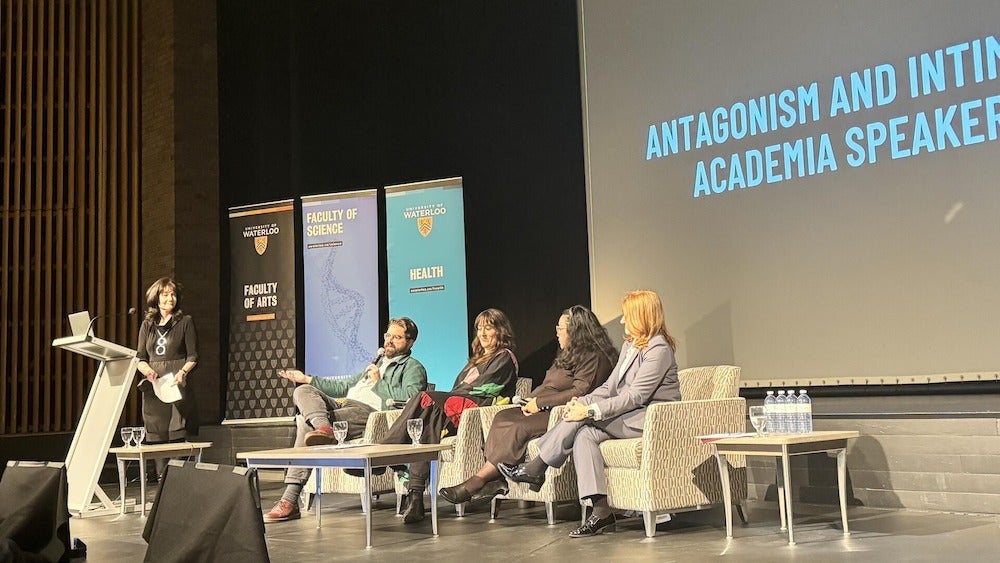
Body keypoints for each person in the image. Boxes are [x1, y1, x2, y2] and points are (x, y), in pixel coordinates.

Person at [499, 290, 679, 538]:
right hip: (628, 416)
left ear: (641, 316)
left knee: (584, 418)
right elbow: (609, 388)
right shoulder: (630, 346)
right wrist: (581, 402)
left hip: (652, 420)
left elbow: (635, 396)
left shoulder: (658, 349)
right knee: (584, 435)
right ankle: (601, 513)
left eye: (627, 316)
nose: (623, 321)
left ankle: (536, 467)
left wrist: (590, 410)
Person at [438, 305, 616, 505]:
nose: (556, 333)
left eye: (560, 329)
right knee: (502, 417)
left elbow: (580, 392)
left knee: (518, 427)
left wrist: (539, 403)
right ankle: (496, 478)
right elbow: (548, 385)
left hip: (563, 413)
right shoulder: (567, 355)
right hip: (544, 407)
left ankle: (478, 481)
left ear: (575, 331)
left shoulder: (593, 356)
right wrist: (528, 401)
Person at [263, 317, 427, 523]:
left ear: (410, 342)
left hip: (368, 414)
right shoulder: (378, 363)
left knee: (306, 423)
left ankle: (290, 499)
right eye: (388, 335)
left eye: (397, 337)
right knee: (303, 391)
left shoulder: (412, 367)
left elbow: (412, 399)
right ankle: (324, 427)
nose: (390, 340)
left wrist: (379, 383)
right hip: (344, 405)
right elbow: (343, 387)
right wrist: (305, 379)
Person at [376, 308, 519, 524]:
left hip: (476, 411)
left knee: (424, 398)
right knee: (429, 420)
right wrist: (444, 400)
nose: (482, 333)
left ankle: (383, 454)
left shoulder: (504, 358)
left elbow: (483, 390)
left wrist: (444, 399)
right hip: (456, 409)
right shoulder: (475, 361)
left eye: (488, 328)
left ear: (500, 331)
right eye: (479, 329)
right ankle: (415, 497)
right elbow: (457, 390)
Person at [135, 277, 200, 480]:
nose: (170, 298)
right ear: (156, 298)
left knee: (175, 431)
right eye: (165, 294)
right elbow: (140, 358)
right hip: (154, 385)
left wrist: (183, 372)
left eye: (173, 294)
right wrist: (147, 371)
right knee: (157, 432)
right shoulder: (147, 325)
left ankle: (178, 480)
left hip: (175, 383)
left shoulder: (185, 322)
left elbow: (193, 356)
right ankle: (161, 477)